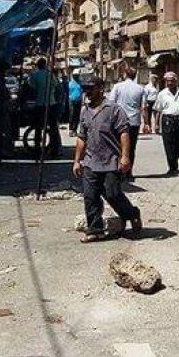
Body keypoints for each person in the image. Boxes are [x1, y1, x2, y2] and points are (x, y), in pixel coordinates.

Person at [73, 75, 142, 243]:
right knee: (90, 196)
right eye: (85, 89)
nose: (87, 92)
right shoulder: (85, 111)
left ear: (100, 89)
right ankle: (95, 230)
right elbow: (82, 137)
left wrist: (125, 157)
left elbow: (124, 133)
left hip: (111, 161)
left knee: (112, 194)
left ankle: (132, 213)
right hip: (91, 161)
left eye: (91, 88)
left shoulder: (114, 109)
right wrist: (77, 160)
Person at [108, 67, 148, 180]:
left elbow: (111, 104)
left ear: (125, 74)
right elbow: (144, 107)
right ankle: (128, 172)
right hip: (134, 121)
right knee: (131, 147)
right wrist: (146, 123)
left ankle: (118, 170)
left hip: (118, 121)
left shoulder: (117, 87)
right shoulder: (141, 89)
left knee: (118, 146)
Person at [153, 72, 179, 176]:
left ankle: (174, 160)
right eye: (167, 81)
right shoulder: (162, 94)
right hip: (167, 120)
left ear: (176, 81)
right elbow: (158, 110)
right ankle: (172, 167)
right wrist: (156, 124)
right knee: (169, 145)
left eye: (172, 81)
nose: (169, 83)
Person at [28, 58, 62, 158]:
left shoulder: (35, 75)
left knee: (38, 128)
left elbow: (32, 87)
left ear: (38, 66)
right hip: (51, 103)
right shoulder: (50, 75)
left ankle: (37, 150)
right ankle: (54, 150)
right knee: (53, 128)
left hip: (40, 104)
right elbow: (56, 86)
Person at [69, 71, 83, 137]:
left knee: (77, 116)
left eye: (77, 75)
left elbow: (83, 91)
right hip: (72, 100)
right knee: (72, 115)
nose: (76, 76)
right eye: (75, 75)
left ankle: (75, 130)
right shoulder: (70, 83)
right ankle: (71, 129)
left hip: (79, 101)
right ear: (73, 75)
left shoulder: (80, 83)